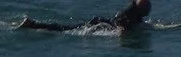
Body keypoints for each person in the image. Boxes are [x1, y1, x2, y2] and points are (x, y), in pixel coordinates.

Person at [18, 0, 151, 31]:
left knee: (66, 28)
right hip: (98, 26)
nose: (149, 8)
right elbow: (121, 33)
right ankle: (32, 24)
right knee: (65, 29)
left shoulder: (134, 14)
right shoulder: (127, 16)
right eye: (147, 6)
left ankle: (32, 24)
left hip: (101, 22)